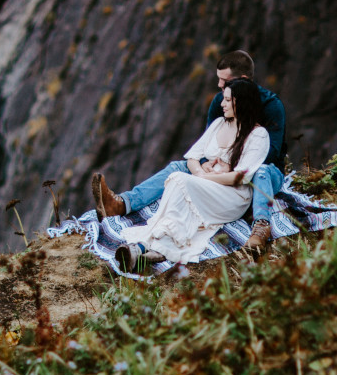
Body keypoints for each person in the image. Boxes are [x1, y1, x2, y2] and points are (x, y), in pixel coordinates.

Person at [92, 50, 287, 250]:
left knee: (261, 172)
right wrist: (206, 167)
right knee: (180, 166)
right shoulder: (220, 105)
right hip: (221, 171)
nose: (219, 86)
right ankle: (123, 204)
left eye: (224, 81)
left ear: (242, 80)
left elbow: (268, 154)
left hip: (264, 171)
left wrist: (226, 169)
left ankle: (261, 227)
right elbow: (209, 145)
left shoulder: (272, 107)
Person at [113, 79, 270, 270]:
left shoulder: (258, 135)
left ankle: (145, 245)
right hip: (205, 185)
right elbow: (192, 158)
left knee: (178, 179)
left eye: (228, 100)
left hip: (233, 196)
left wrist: (205, 178)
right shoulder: (219, 123)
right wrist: (200, 171)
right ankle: (149, 249)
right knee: (179, 183)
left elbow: (240, 178)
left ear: (242, 102)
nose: (222, 104)